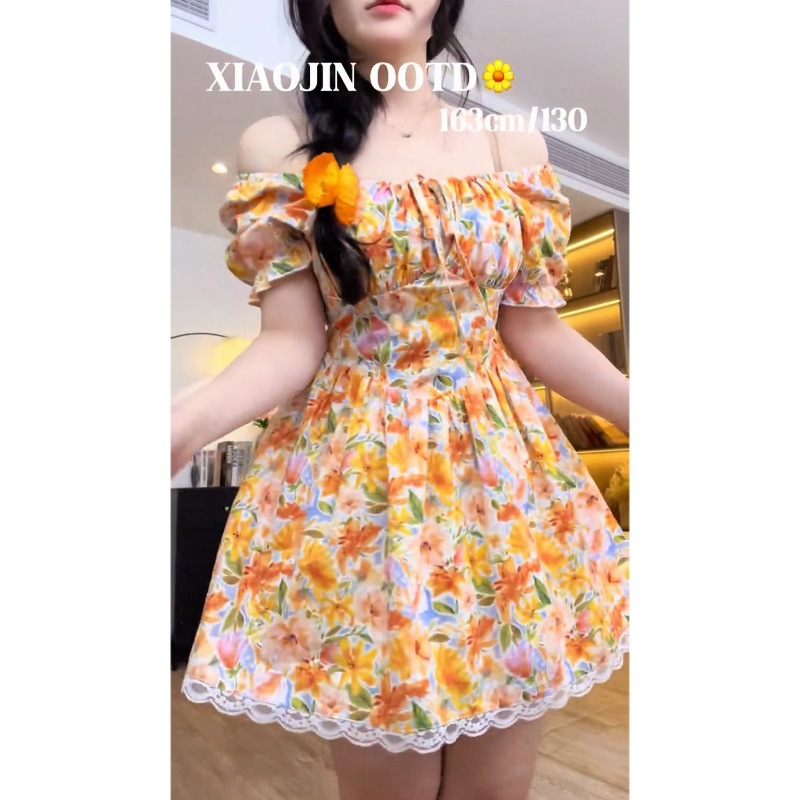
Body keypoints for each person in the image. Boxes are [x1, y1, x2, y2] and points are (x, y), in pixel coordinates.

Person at [170, 1, 630, 798]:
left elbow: (535, 331)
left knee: (498, 784)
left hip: (501, 487)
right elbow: (291, 343)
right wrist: (182, 424)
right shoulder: (280, 144)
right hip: (361, 490)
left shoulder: (511, 144)